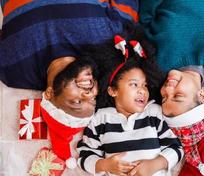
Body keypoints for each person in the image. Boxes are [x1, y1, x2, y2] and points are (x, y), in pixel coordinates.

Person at [77, 34, 183, 176]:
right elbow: (85, 154)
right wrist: (105, 164)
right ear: (113, 91)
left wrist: (156, 164)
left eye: (145, 85)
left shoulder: (153, 113)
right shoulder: (101, 119)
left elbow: (176, 148)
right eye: (134, 84)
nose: (142, 90)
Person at [0, 0, 138, 118]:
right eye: (93, 99)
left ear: (49, 94)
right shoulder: (111, 44)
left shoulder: (11, 70)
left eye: (76, 102)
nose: (90, 93)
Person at [160, 68, 204, 176]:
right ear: (202, 96)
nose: (167, 89)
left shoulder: (158, 68)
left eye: (164, 98)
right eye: (178, 96)